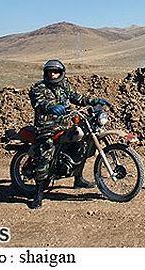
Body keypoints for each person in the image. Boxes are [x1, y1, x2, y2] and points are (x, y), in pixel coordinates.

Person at [28, 59, 110, 209]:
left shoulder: (64, 85)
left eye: (56, 71)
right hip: (46, 127)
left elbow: (76, 97)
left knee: (83, 143)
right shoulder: (38, 88)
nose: (53, 74)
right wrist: (51, 107)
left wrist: (94, 101)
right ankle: (38, 193)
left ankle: (78, 179)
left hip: (65, 124)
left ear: (61, 73)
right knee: (46, 151)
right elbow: (38, 103)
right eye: (50, 71)